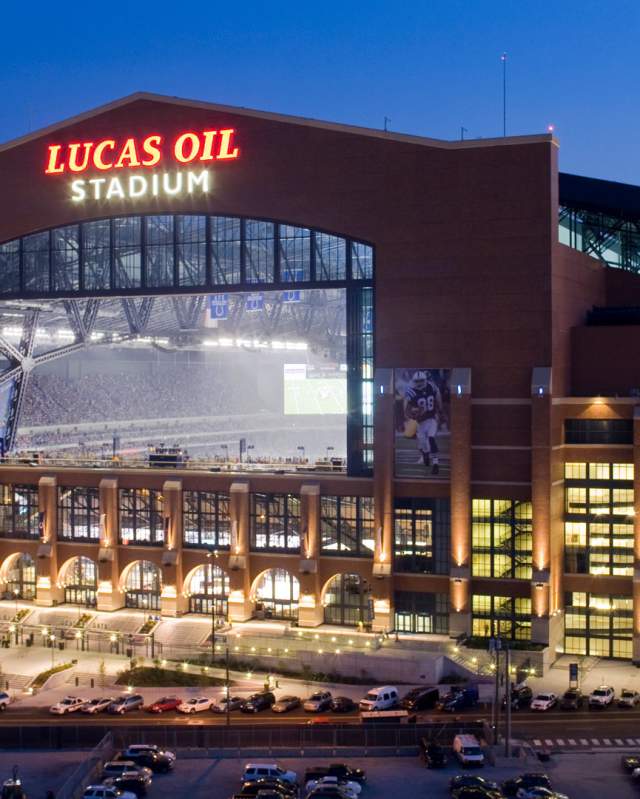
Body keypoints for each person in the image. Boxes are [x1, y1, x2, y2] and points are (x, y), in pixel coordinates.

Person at [404, 370, 442, 475]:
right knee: (423, 444)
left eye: (421, 380)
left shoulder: (432, 387)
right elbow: (407, 409)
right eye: (418, 381)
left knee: (431, 439)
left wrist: (440, 410)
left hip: (432, 419)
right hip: (421, 422)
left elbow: (438, 399)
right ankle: (425, 454)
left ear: (425, 380)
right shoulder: (411, 392)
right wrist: (412, 414)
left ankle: (435, 464)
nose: (420, 383)